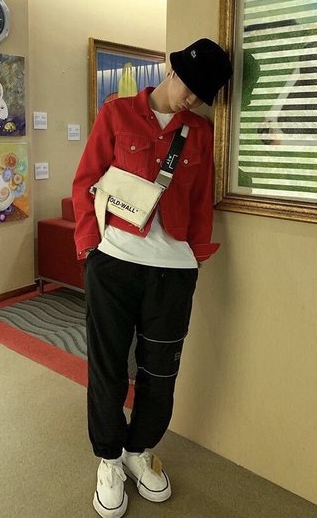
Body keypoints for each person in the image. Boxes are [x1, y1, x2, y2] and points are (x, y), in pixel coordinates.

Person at [72, 38, 231, 518]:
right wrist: (89, 249)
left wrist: (194, 258)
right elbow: (85, 182)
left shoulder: (200, 133)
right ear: (171, 70)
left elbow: (201, 203)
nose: (191, 99)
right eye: (189, 87)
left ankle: (139, 450)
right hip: (113, 263)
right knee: (108, 366)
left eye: (201, 95)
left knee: (160, 372)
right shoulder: (117, 114)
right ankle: (108, 459)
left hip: (173, 271)